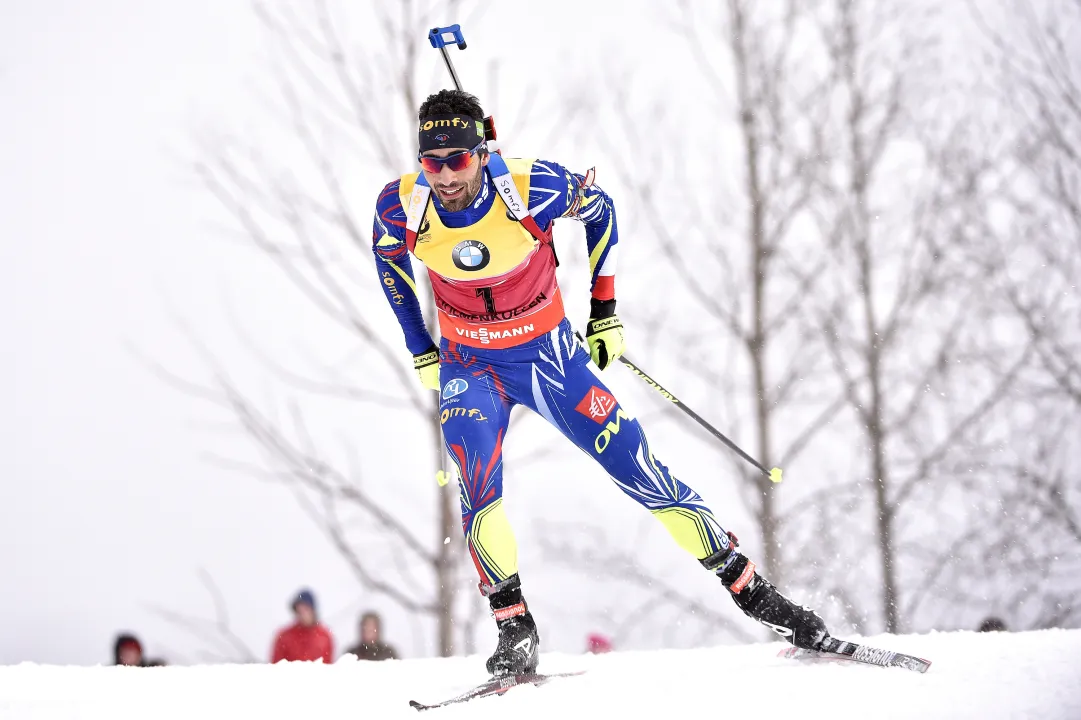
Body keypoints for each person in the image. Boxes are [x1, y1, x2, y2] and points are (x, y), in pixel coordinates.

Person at [370, 88, 831, 677]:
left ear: (482, 152)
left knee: (636, 467)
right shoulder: (402, 205)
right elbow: (388, 264)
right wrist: (420, 347)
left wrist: (604, 310)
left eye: (456, 160)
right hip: (470, 364)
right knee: (476, 481)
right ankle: (515, 628)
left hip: (547, 355)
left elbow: (602, 210)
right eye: (430, 163)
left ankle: (756, 594)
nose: (443, 176)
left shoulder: (530, 188)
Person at [270, 589, 334, 663]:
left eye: (306, 609)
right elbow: (276, 668)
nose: (303, 614)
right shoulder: (284, 636)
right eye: (299, 610)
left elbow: (328, 668)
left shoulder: (325, 637)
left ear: (313, 610)